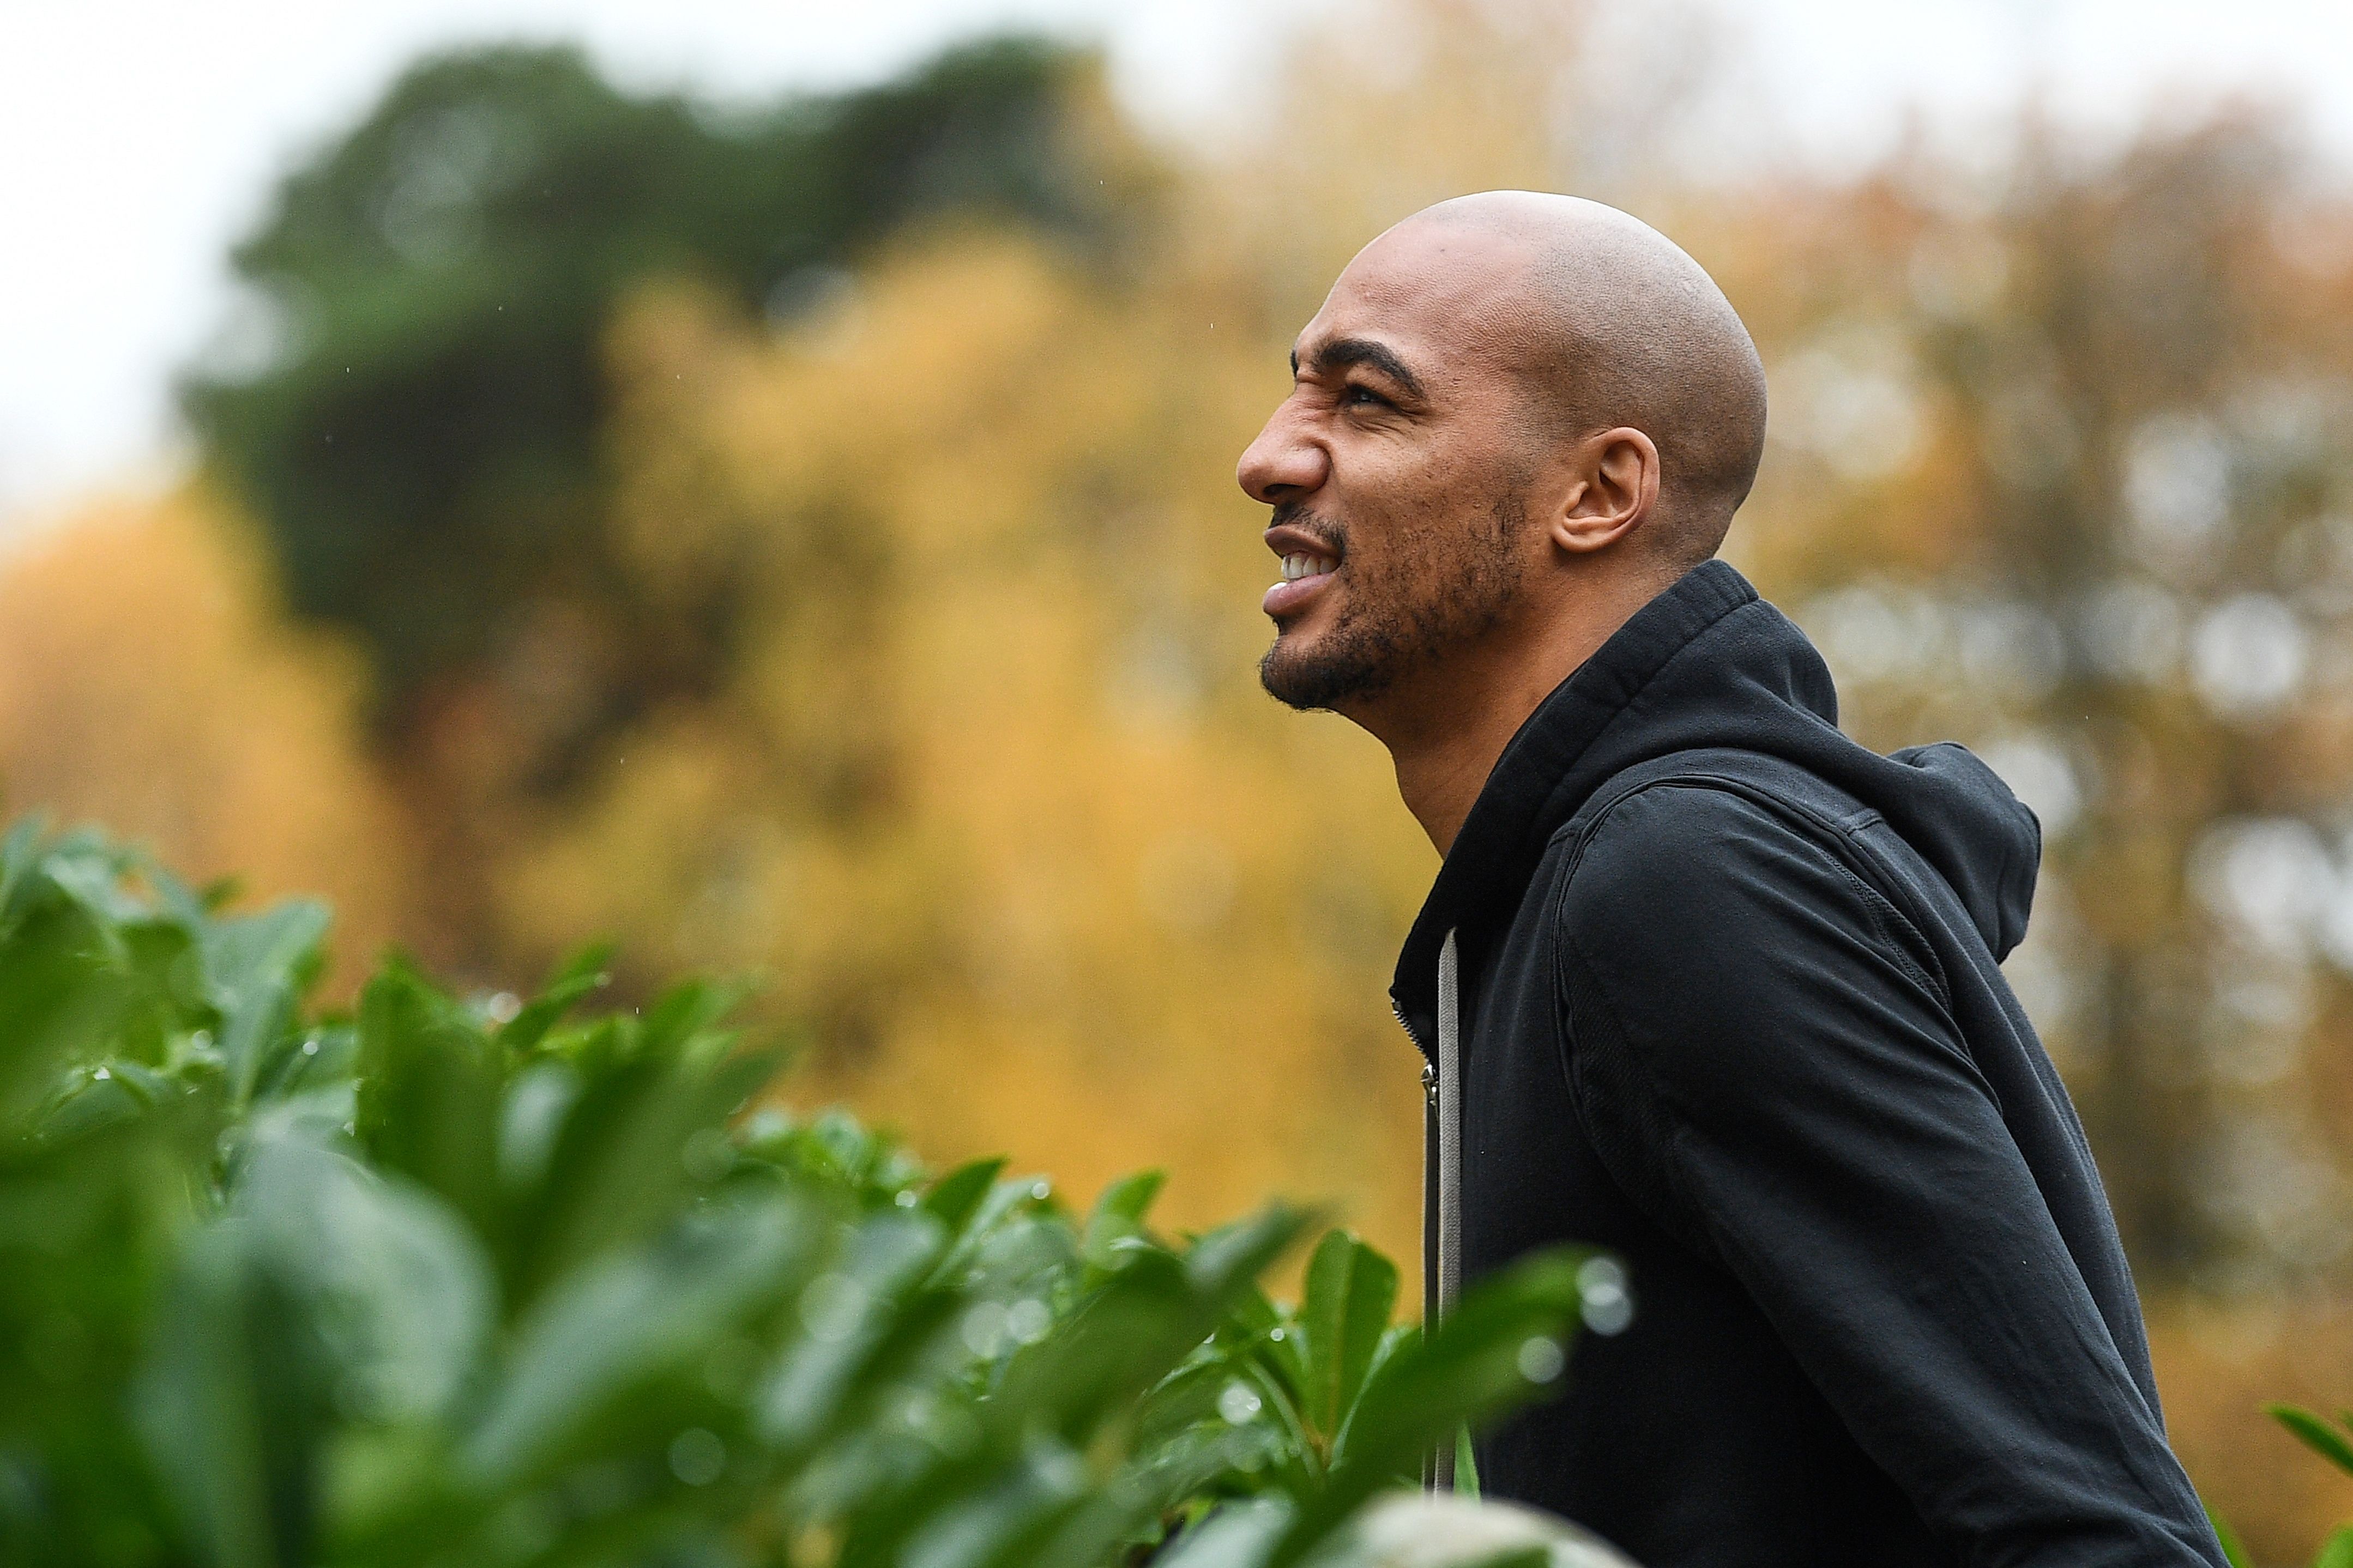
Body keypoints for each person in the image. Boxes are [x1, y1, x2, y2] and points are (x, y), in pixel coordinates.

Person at [1237, 190, 2227, 1567]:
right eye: (1298, 390)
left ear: (1597, 493)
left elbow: (2091, 1533)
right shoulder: (1567, 904)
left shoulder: (1683, 885)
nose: (1269, 456)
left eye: (1366, 401)